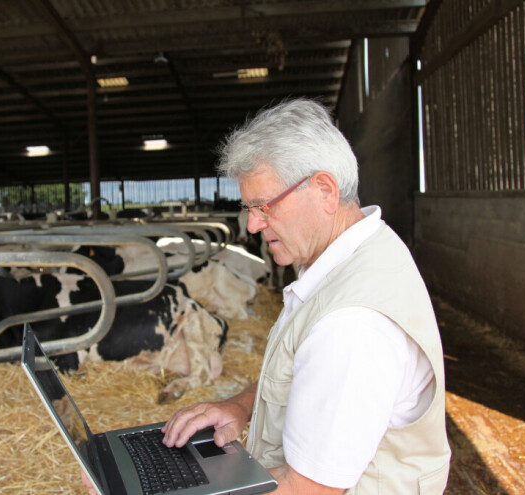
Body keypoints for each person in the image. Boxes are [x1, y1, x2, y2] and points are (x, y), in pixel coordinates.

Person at [160, 98, 452, 494]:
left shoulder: (350, 325)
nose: (252, 224)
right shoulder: (354, 254)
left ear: (324, 191)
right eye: (249, 207)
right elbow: (307, 382)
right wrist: (242, 406)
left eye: (264, 206)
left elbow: (305, 489)